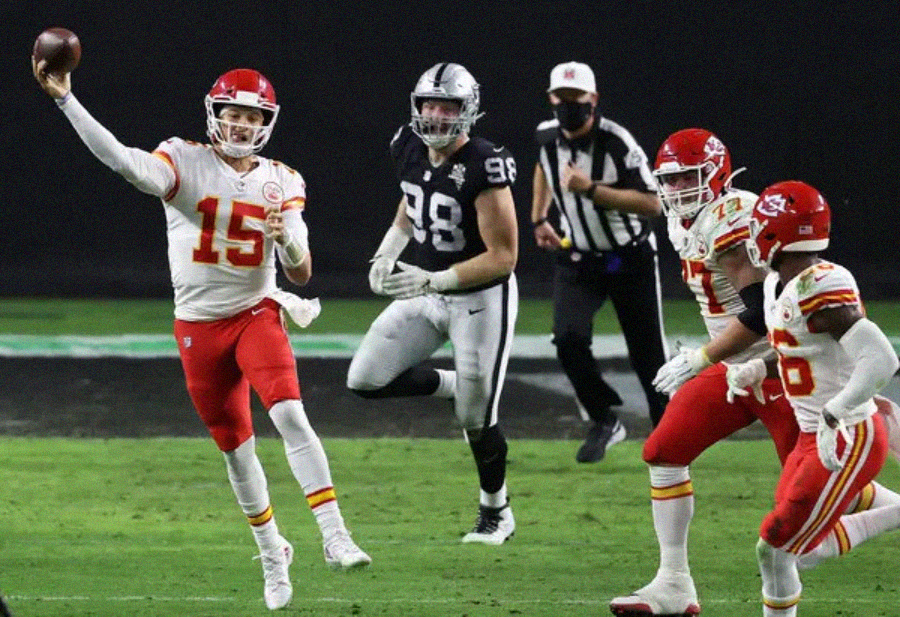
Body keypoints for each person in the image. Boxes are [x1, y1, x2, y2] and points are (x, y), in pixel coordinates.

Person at [33, 61, 370, 611]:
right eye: (232, 114)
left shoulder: (282, 180)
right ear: (215, 115)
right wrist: (67, 100)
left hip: (255, 311)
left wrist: (286, 244)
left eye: (251, 116)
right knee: (237, 450)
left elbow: (303, 272)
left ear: (266, 122)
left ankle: (334, 534)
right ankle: (271, 553)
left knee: (288, 412)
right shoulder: (183, 159)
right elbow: (124, 162)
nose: (239, 126)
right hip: (197, 326)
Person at [610, 130, 900, 617]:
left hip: (784, 372)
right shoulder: (688, 223)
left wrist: (702, 357)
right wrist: (722, 364)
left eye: (688, 177)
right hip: (741, 369)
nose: (678, 188)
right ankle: (673, 582)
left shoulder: (732, 221)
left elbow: (755, 314)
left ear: (716, 174)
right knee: (664, 450)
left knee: (813, 496)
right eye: (670, 179)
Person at [346, 62, 518, 544]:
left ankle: (496, 511)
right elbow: (412, 200)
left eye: (448, 106)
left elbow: (504, 258)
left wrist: (436, 278)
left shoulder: (486, 164)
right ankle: (453, 385)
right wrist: (388, 251)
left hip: (478, 298)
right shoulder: (407, 145)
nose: (436, 115)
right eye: (429, 104)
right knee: (365, 379)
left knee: (475, 420)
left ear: (468, 111)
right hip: (428, 289)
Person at [730, 180, 900, 616]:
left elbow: (881, 359)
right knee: (792, 550)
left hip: (847, 437)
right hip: (814, 439)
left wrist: (836, 411)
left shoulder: (820, 284)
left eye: (760, 227)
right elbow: (798, 347)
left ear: (776, 234)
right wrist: (758, 367)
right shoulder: (781, 286)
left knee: (776, 548)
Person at [531, 61, 668, 463]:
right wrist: (540, 217)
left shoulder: (617, 142)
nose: (569, 106)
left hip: (629, 259)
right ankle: (604, 419)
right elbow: (543, 168)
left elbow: (653, 203)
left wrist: (591, 190)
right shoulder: (545, 136)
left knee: (648, 355)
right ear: (551, 99)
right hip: (580, 259)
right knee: (568, 339)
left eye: (577, 99)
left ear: (593, 100)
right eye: (563, 98)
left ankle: (668, 437)